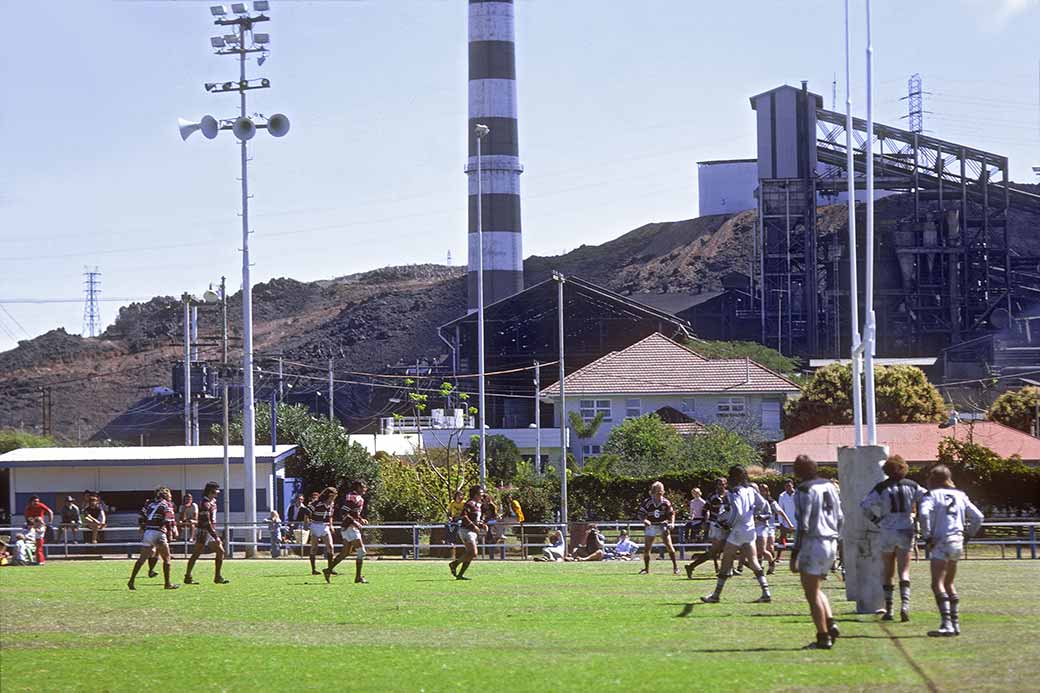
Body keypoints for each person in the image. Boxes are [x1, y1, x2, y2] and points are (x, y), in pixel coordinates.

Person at [919, 465, 984, 637]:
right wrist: (969, 535)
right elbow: (978, 517)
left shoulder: (931, 495)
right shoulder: (960, 495)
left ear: (932, 479)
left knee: (937, 583)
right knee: (949, 583)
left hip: (941, 541)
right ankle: (955, 624)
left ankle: (946, 624)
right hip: (957, 541)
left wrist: (927, 536)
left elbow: (924, 514)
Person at [859, 455, 926, 622]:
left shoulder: (882, 487)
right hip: (906, 529)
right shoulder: (912, 485)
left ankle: (889, 610)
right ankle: (905, 606)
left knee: (888, 572)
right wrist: (917, 517)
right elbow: (927, 498)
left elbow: (864, 505)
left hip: (887, 530)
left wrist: (876, 520)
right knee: (904, 571)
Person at [788, 455, 843, 649]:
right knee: (816, 589)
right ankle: (830, 623)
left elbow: (803, 524)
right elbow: (840, 517)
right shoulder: (829, 485)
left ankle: (823, 637)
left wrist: (794, 554)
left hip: (814, 541)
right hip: (831, 541)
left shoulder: (803, 490)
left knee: (811, 594)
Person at [700, 466, 772, 604]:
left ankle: (715, 595)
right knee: (754, 562)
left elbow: (737, 511)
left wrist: (728, 524)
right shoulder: (751, 489)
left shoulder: (733, 492)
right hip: (750, 531)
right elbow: (763, 504)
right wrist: (753, 514)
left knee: (726, 561)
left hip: (738, 531)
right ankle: (766, 593)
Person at [128, 487, 179, 590]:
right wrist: (171, 533)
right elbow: (168, 520)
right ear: (166, 495)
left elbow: (141, 516)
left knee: (141, 559)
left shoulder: (150, 504)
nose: (171, 497)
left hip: (148, 532)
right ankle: (167, 583)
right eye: (169, 495)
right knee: (167, 559)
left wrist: (142, 527)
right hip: (159, 533)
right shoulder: (167, 504)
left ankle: (131, 581)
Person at [183, 482, 229, 586]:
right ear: (211, 491)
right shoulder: (205, 503)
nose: (218, 492)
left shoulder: (212, 502)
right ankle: (188, 576)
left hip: (210, 531)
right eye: (216, 490)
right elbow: (206, 522)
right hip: (204, 532)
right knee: (196, 554)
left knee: (221, 551)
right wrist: (215, 536)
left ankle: (218, 576)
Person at [325, 480, 369, 584]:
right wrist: (355, 523)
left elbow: (353, 512)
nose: (365, 489)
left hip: (347, 527)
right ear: (358, 487)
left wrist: (360, 518)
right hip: (350, 528)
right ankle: (358, 577)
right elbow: (344, 512)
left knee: (345, 552)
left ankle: (328, 570)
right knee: (361, 552)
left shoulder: (354, 497)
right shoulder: (354, 498)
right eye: (363, 487)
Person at [684, 478, 729, 577]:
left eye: (722, 484)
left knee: (723, 549)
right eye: (718, 484)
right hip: (716, 525)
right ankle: (691, 566)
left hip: (727, 526)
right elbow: (705, 509)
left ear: (726, 485)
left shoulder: (729, 495)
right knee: (717, 550)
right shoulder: (712, 496)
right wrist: (705, 522)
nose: (720, 486)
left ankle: (691, 566)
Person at [638, 481, 678, 574]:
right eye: (658, 491)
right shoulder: (647, 502)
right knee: (647, 548)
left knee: (669, 546)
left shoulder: (666, 502)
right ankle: (646, 569)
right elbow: (640, 514)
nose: (660, 493)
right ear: (653, 492)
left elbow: (671, 514)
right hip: (651, 526)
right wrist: (645, 520)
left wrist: (672, 523)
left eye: (661, 491)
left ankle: (675, 567)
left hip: (662, 525)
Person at [449, 485, 484, 580]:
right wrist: (474, 526)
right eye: (481, 493)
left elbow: (476, 518)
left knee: (469, 553)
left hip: (472, 531)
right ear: (475, 494)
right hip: (466, 530)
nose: (482, 495)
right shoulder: (470, 503)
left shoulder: (478, 505)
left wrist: (482, 524)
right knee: (473, 553)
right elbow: (464, 516)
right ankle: (454, 564)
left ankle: (460, 575)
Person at [757, 485, 790, 575]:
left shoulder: (771, 502)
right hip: (759, 526)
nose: (762, 492)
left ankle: (771, 566)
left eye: (764, 490)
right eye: (760, 490)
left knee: (770, 547)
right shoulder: (755, 501)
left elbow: (780, 512)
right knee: (760, 548)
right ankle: (759, 567)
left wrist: (789, 523)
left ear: (767, 491)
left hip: (770, 526)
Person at [306, 487, 338, 577]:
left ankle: (330, 568)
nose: (334, 497)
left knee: (330, 547)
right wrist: (306, 524)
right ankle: (313, 569)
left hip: (325, 526)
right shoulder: (317, 503)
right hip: (315, 525)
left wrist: (331, 525)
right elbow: (307, 512)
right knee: (314, 548)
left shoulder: (332, 504)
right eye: (333, 495)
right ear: (329, 495)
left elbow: (330, 515)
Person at [23, 496, 54, 564]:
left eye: (37, 501)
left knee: (39, 547)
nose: (36, 503)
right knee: (32, 546)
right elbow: (26, 517)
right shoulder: (28, 507)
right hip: (32, 525)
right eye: (35, 501)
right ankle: (32, 560)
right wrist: (30, 524)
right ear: (31, 502)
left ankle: (40, 561)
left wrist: (50, 522)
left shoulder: (41, 505)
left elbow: (50, 512)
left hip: (38, 527)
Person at [136, 496, 160, 579]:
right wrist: (142, 527)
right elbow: (141, 517)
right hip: (149, 530)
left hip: (155, 530)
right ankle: (150, 570)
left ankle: (151, 570)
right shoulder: (151, 505)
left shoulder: (159, 505)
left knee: (155, 551)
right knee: (150, 551)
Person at [776, 478, 798, 559]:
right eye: (786, 486)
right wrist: (781, 522)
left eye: (789, 485)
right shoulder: (782, 496)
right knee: (781, 539)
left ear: (792, 485)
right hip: (786, 522)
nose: (787, 487)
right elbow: (780, 509)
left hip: (797, 522)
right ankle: (778, 557)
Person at [682, 487, 707, 552]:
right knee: (686, 526)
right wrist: (690, 518)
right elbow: (691, 511)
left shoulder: (703, 502)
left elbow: (706, 512)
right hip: (694, 519)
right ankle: (687, 539)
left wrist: (705, 520)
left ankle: (695, 539)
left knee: (695, 528)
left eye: (696, 493)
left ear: (699, 493)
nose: (695, 494)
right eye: (694, 493)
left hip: (700, 519)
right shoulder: (692, 502)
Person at [446, 490, 466, 561]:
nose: (460, 497)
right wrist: (450, 517)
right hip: (454, 518)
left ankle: (453, 540)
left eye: (461, 495)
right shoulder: (452, 503)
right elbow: (449, 512)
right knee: (447, 525)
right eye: (458, 495)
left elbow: (465, 514)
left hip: (461, 519)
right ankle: (449, 541)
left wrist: (460, 517)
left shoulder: (464, 503)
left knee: (458, 524)